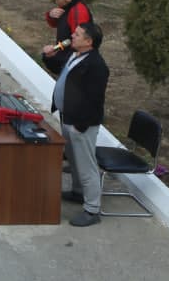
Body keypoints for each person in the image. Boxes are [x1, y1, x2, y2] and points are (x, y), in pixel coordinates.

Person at [51, 22, 110, 227]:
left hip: (80, 124)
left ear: (89, 41)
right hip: (67, 117)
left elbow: (95, 100)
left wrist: (81, 125)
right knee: (74, 160)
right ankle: (78, 192)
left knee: (86, 166)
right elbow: (61, 73)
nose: (72, 36)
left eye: (77, 34)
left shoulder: (97, 66)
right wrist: (47, 55)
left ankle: (92, 209)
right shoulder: (74, 54)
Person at [41, 0, 93, 77]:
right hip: (65, 52)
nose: (55, 1)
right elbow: (54, 24)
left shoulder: (78, 12)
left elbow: (80, 41)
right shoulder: (67, 7)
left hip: (73, 59)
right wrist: (51, 15)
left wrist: (61, 56)